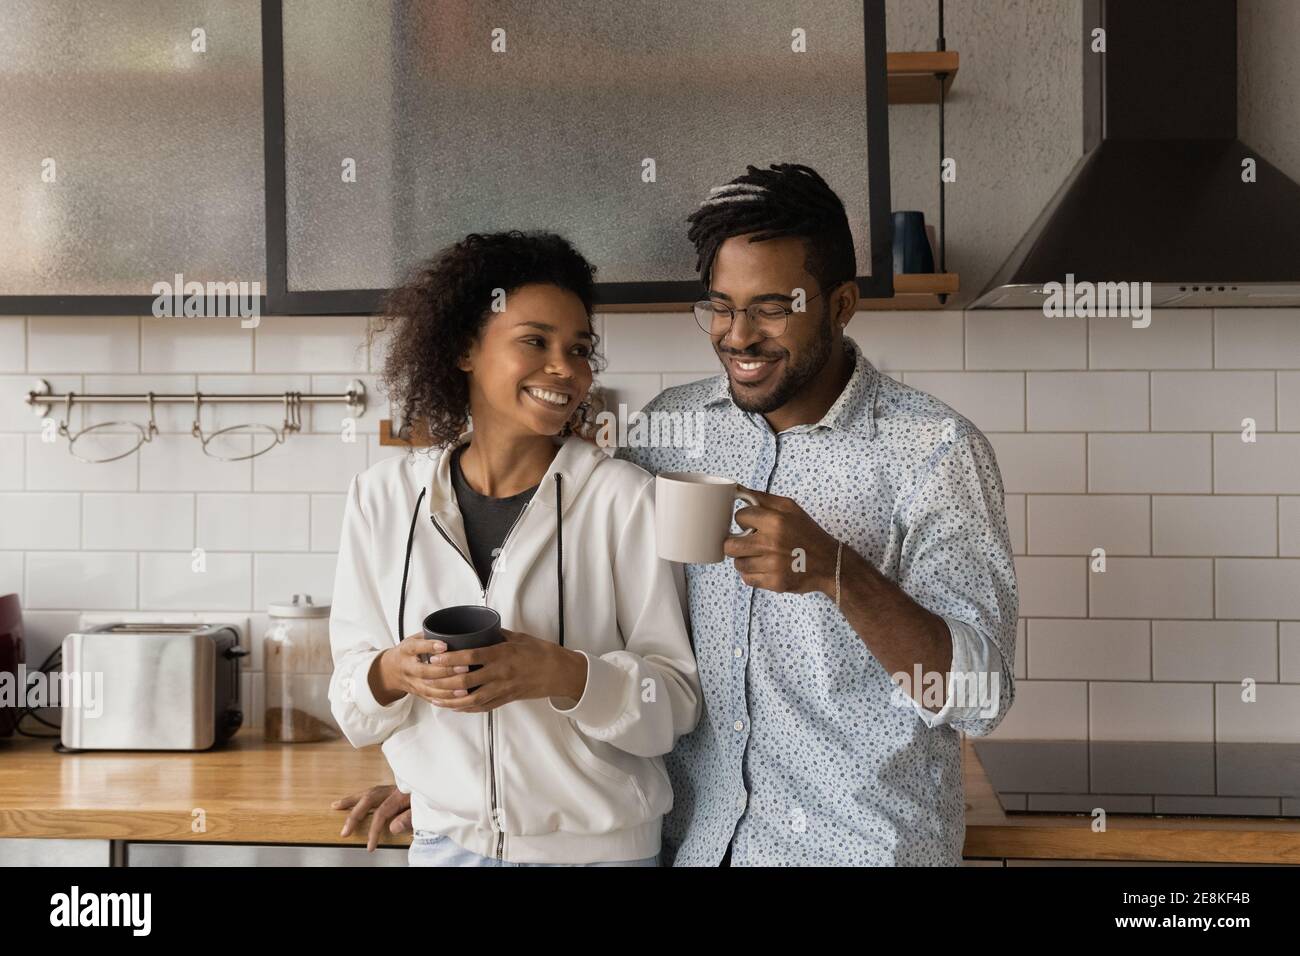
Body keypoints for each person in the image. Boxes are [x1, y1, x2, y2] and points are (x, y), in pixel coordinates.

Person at [335, 163, 1018, 866]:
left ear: (841, 304)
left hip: (859, 850)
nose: (739, 335)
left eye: (773, 307)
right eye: (721, 306)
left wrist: (839, 573)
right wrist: (471, 791)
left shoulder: (934, 452)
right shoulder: (673, 431)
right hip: (699, 849)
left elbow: (980, 696)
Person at [327, 230, 700, 866]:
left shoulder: (623, 499)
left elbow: (672, 705)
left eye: (579, 349)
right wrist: (393, 672)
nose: (566, 368)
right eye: (535, 341)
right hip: (447, 849)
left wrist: (564, 674)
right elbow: (351, 705)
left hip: (599, 856)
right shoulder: (382, 499)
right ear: (466, 348)